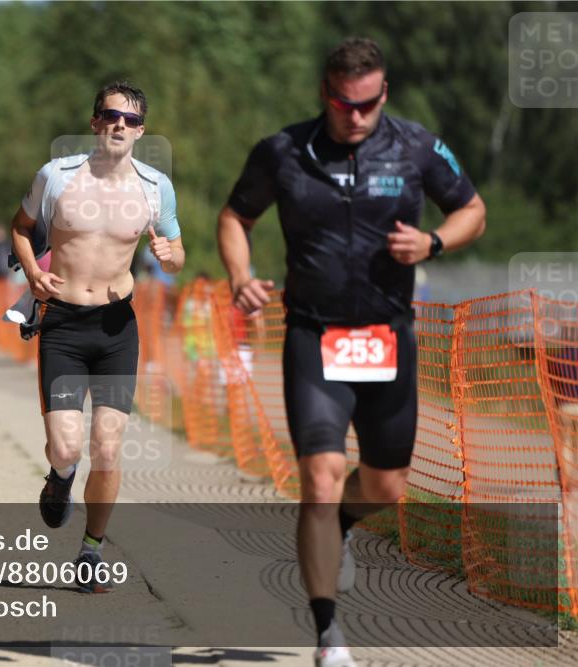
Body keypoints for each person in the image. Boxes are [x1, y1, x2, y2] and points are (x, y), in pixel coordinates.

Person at [217, 38, 485, 667]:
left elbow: (473, 210)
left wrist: (435, 243)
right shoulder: (283, 152)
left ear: (383, 94)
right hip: (313, 333)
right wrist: (239, 275)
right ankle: (328, 634)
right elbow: (235, 217)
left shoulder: (417, 147)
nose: (356, 116)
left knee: (387, 486)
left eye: (368, 104)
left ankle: (341, 525)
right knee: (319, 477)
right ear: (325, 94)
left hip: (388, 336)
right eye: (344, 104)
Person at [10, 81, 184, 593]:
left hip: (115, 328)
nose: (119, 126)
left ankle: (91, 550)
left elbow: (176, 252)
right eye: (110, 115)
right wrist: (31, 273)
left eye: (130, 120)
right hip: (63, 324)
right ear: (94, 122)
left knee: (107, 447)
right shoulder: (56, 177)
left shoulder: (154, 187)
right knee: (65, 447)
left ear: (141, 131)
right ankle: (61, 477)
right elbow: (20, 228)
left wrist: (168, 256)